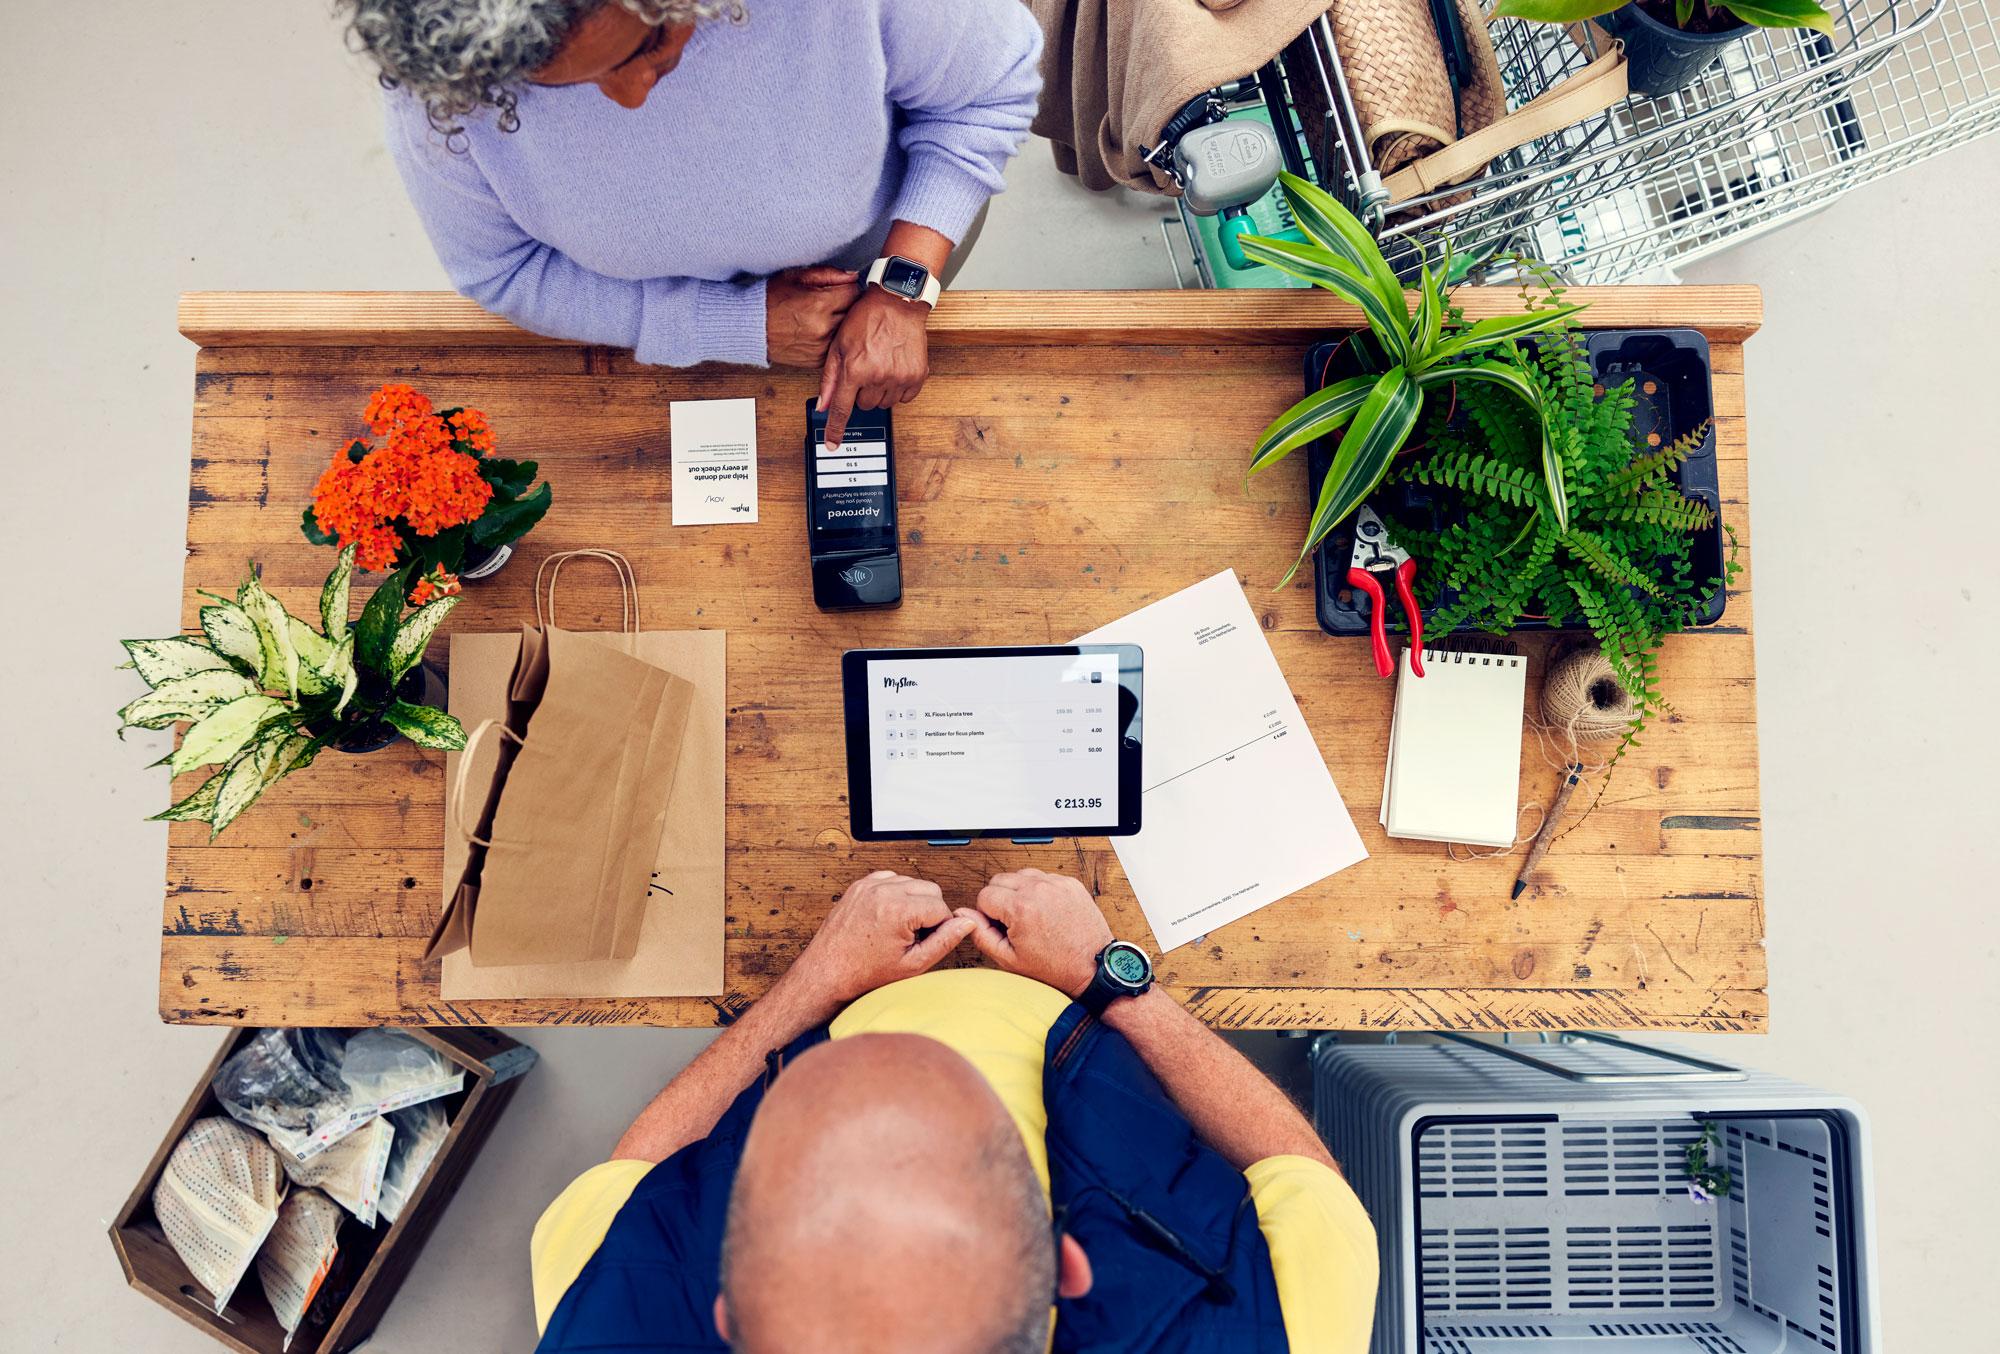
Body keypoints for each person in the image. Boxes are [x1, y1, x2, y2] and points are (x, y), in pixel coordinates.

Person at [532, 868, 1379, 1352]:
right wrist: (1108, 980)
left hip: (851, 984)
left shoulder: (606, 1320)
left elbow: (635, 1175)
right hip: (1068, 999)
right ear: (1068, 1267)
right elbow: (1303, 1179)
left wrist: (818, 983)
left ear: (729, 1314)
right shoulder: (1282, 1335)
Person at [340, 0, 1043, 445]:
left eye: (648, 46)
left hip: (886, 259)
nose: (631, 96)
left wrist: (902, 288)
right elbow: (502, 271)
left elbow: (984, 92)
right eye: (567, 85)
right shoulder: (445, 83)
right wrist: (730, 324)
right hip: (654, 339)